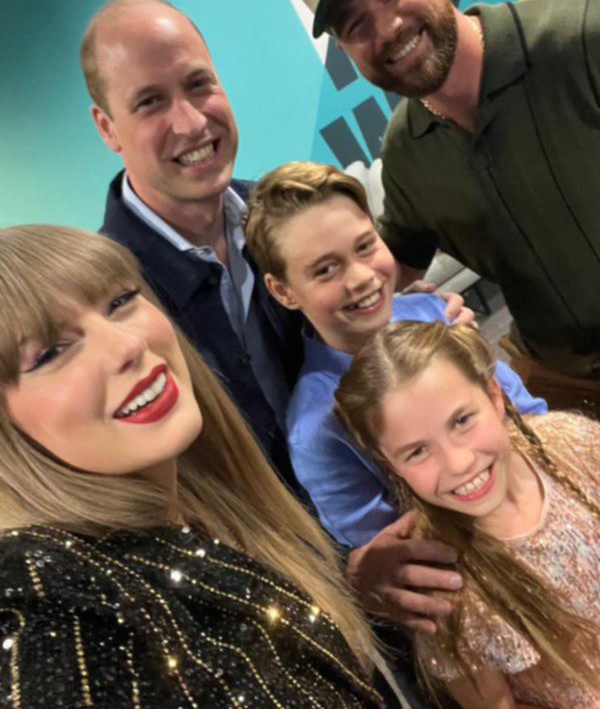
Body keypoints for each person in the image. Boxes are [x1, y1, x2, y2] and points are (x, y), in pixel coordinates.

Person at [81, 0, 468, 495]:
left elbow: (357, 345)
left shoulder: (285, 217)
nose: (192, 122)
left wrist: (420, 324)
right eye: (150, 102)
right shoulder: (103, 299)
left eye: (199, 84)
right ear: (107, 127)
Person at [0, 223, 386, 708]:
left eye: (120, 301)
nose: (128, 346)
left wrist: (352, 596)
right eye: (52, 352)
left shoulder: (203, 508)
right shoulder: (50, 610)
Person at [297, 0, 600, 413]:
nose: (388, 28)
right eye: (356, 25)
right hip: (563, 382)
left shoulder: (582, 33)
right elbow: (395, 262)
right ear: (348, 51)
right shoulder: (405, 152)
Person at [245, 161, 545, 665]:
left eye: (365, 246)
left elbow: (527, 416)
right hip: (498, 603)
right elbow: (406, 560)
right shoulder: (316, 427)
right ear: (283, 290)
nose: (362, 278)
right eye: (325, 269)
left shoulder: (429, 314)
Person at [335, 321, 600, 708]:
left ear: (494, 396)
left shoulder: (573, 441)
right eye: (417, 451)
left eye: (462, 421)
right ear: (389, 463)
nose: (458, 463)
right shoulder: (443, 590)